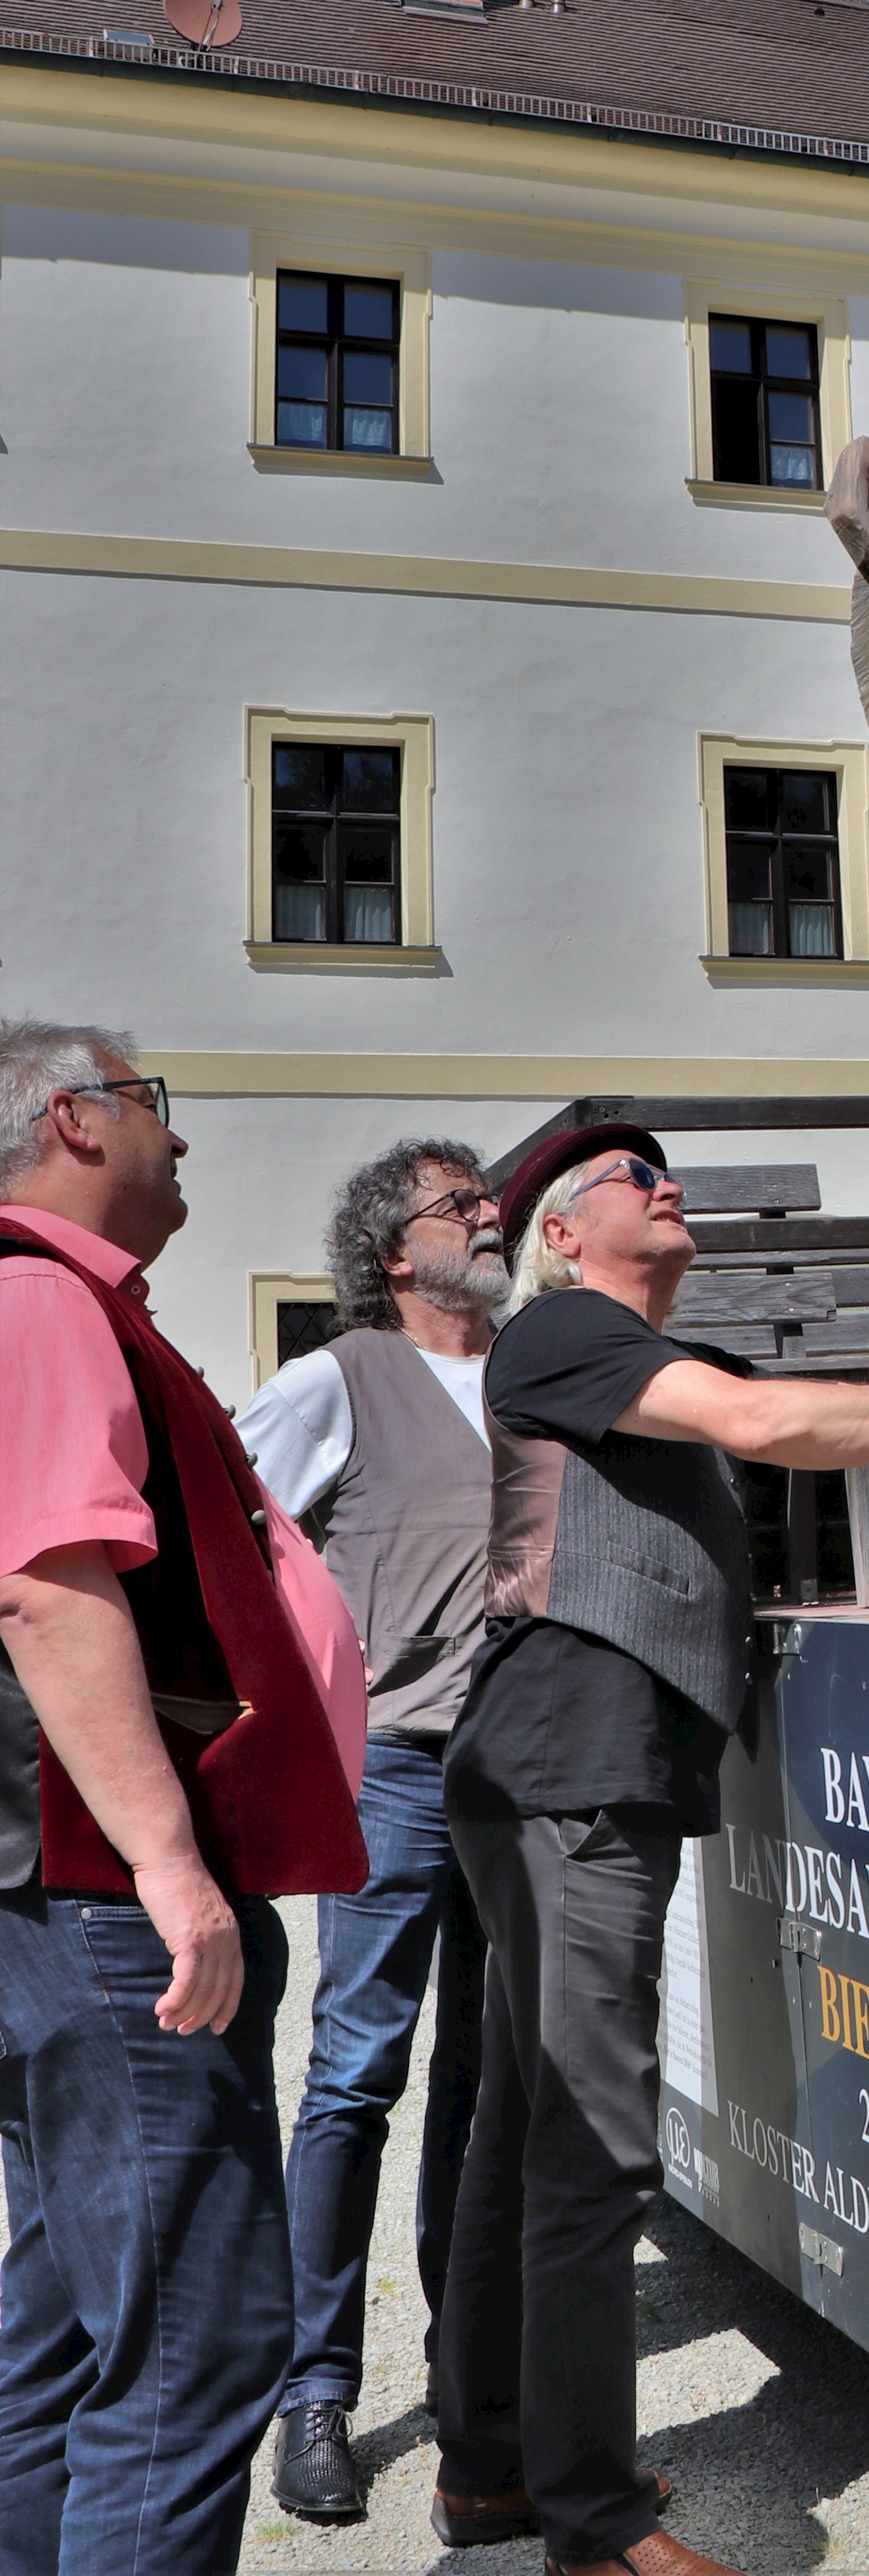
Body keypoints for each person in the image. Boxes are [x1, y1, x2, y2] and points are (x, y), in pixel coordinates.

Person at [432, 1123, 869, 2575]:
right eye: (629, 1178)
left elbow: (822, 1410)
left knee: (523, 2126)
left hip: (560, 1772)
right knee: (590, 2146)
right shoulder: (564, 1331)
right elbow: (781, 1430)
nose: (663, 1180)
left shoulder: (636, 1370)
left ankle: (496, 2464)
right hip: (575, 1770)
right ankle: (594, 2525)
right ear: (562, 1235)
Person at [0, 1022, 367, 2576]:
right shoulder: (38, 1293)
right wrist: (168, 1862)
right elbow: (43, 1576)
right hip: (94, 1898)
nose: (180, 1134)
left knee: (77, 2321)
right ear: (75, 1118)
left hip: (59, 1901)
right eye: (157, 1103)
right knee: (200, 2341)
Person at [239, 1140, 507, 2526]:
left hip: (520, 1774)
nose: (491, 1216)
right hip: (397, 1773)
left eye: (487, 1199)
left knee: (480, 2082)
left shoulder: (535, 1374)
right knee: (355, 2076)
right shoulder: (337, 1376)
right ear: (397, 1252)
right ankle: (313, 2392)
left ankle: (469, 2390)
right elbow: (230, 1529)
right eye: (462, 1205)